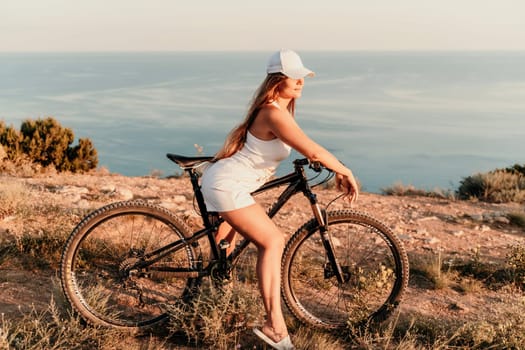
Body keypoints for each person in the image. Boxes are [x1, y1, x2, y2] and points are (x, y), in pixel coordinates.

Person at [200, 49, 359, 350]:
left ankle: (209, 305)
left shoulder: (278, 111)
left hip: (233, 183)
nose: (300, 81)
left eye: (302, 76)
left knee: (223, 257)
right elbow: (311, 150)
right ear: (277, 80)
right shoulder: (272, 112)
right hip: (227, 184)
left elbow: (302, 146)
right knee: (273, 241)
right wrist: (344, 169)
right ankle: (275, 326)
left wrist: (323, 162)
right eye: (293, 76)